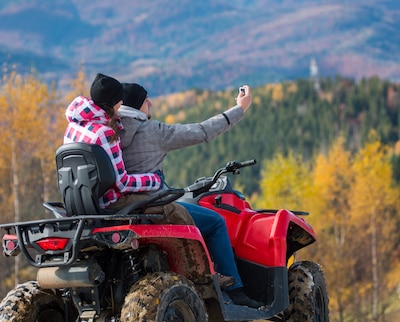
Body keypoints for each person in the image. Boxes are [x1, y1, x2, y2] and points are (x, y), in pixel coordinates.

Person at [118, 82, 264, 309]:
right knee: (215, 222)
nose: (151, 103)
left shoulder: (108, 132)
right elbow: (203, 131)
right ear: (137, 106)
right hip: (153, 205)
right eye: (146, 100)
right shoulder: (153, 131)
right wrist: (239, 109)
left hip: (118, 208)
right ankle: (233, 291)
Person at [63, 73, 193, 225]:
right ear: (113, 103)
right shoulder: (105, 133)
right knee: (175, 211)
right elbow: (122, 183)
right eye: (120, 99)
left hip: (81, 203)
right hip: (109, 203)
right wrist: (155, 180)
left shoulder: (74, 125)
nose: (123, 102)